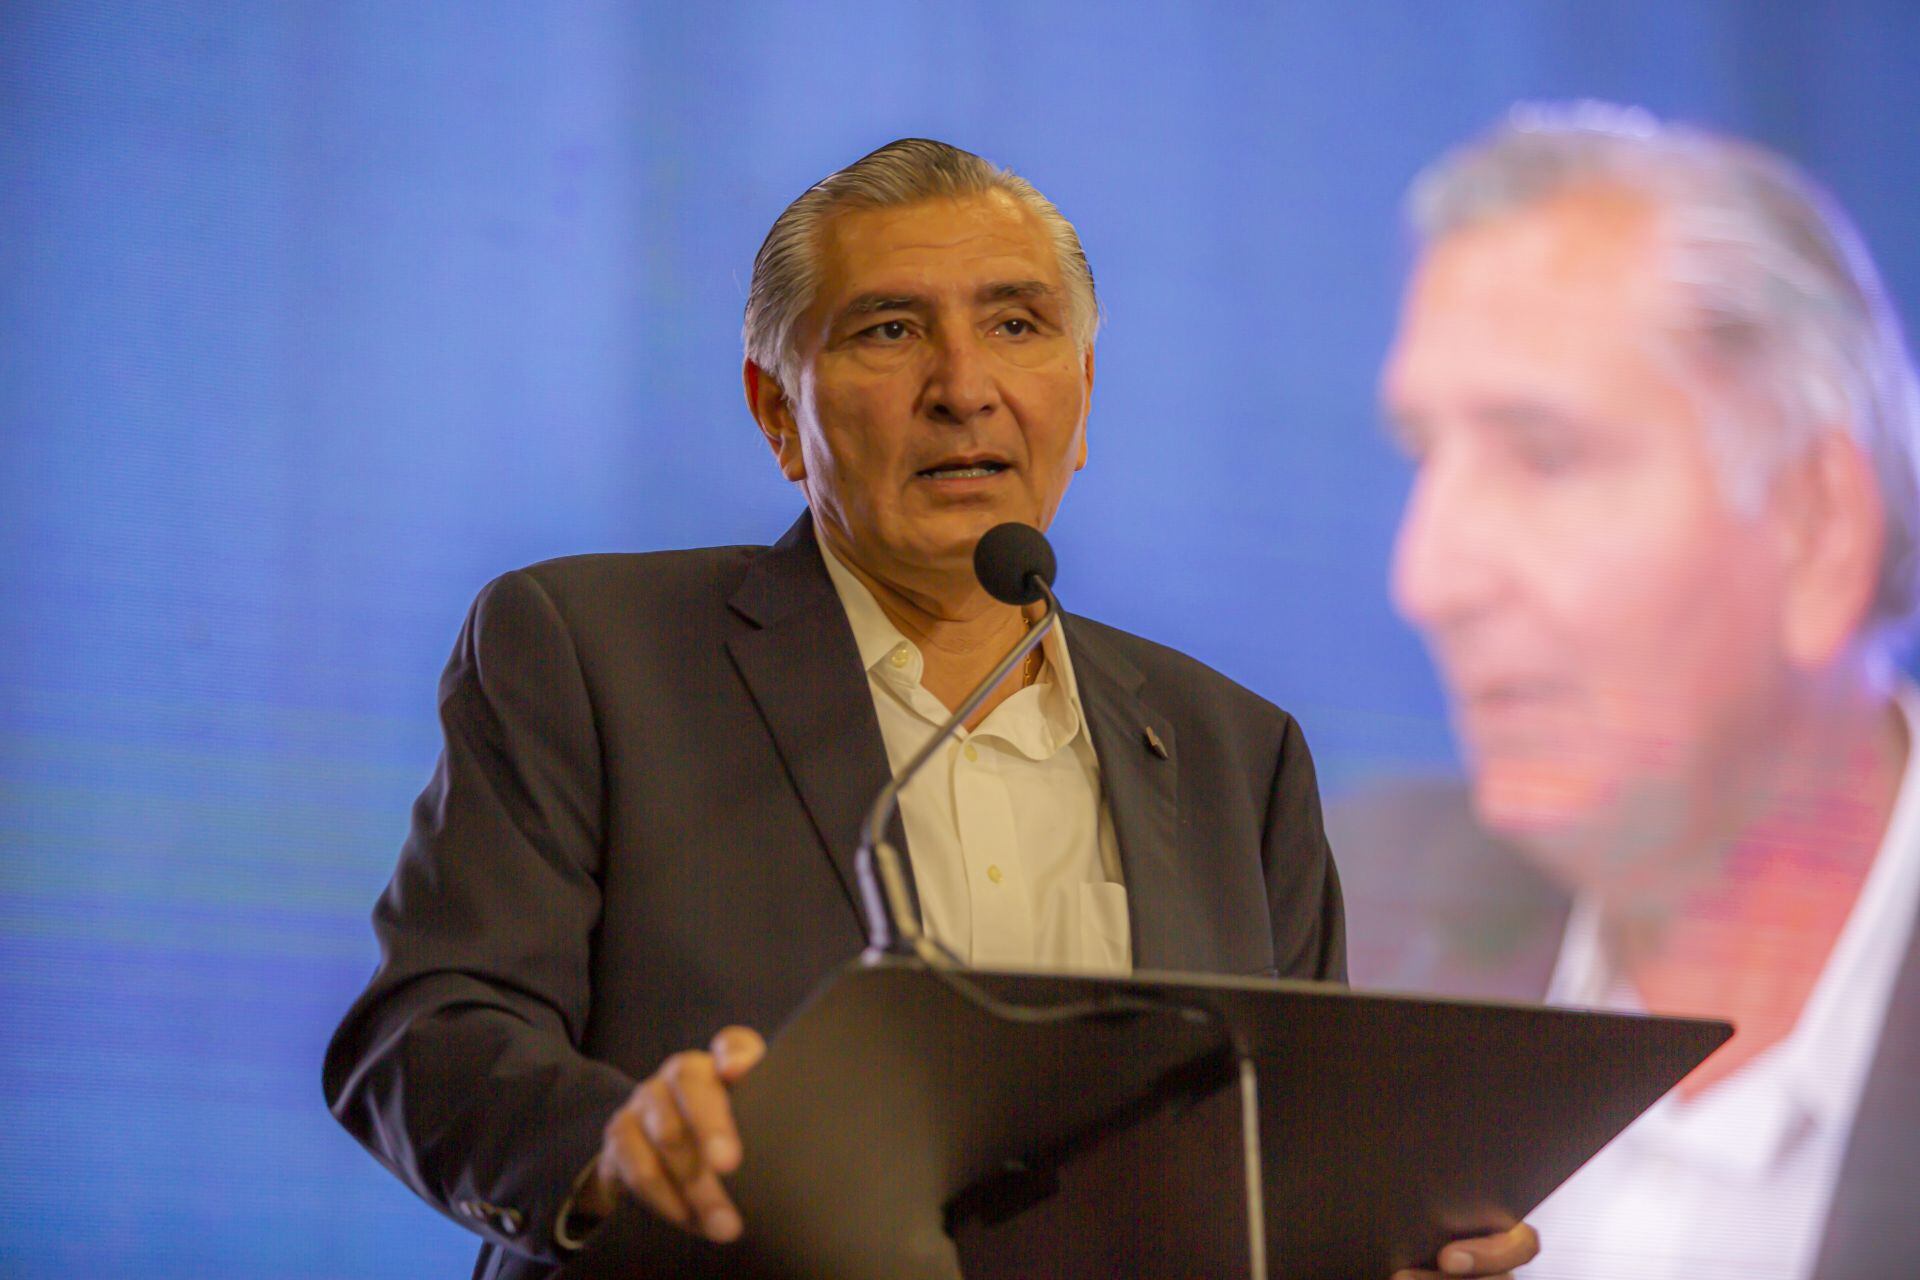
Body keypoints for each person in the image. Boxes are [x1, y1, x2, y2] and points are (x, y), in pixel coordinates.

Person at [325, 138, 1538, 1280]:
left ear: (1082, 390)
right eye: (890, 330)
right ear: (776, 412)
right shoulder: (592, 651)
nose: (964, 388)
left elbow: (1292, 1148)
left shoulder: (1237, 750)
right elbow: (426, 1031)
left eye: (1016, 324)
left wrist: (1381, 1238)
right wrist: (616, 1145)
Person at [1334, 104, 1920, 1279]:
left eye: (1544, 454)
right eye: (1425, 455)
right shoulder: (1337, 926)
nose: (1428, 577)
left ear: (1815, 525)